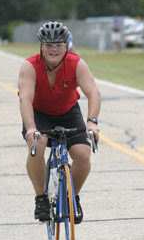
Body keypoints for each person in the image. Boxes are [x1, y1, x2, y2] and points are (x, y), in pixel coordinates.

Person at [18, 21, 101, 223]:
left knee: (83, 154)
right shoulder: (30, 66)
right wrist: (31, 128)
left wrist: (91, 122)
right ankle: (41, 199)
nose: (54, 49)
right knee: (38, 144)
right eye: (49, 45)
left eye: (58, 44)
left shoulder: (76, 63)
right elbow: (25, 99)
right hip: (39, 112)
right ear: (41, 46)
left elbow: (93, 92)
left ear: (66, 45)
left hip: (68, 111)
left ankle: (72, 197)